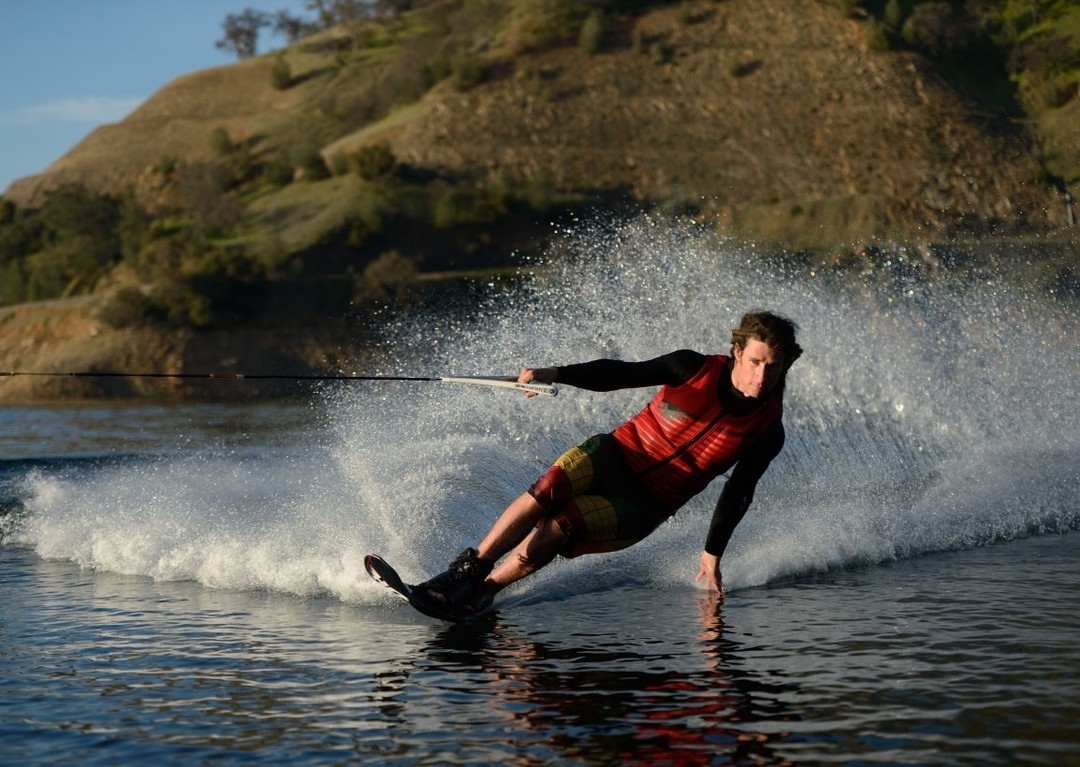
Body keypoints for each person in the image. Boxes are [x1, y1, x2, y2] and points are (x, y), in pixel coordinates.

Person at [413, 310, 803, 618]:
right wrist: (555, 373)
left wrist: (711, 554)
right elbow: (619, 374)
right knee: (549, 488)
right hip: (612, 455)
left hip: (643, 505)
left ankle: (482, 592)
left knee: (558, 526)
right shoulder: (691, 368)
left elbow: (738, 492)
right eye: (755, 362)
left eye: (772, 366)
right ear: (737, 351)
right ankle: (466, 573)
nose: (761, 375)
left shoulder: (766, 430)